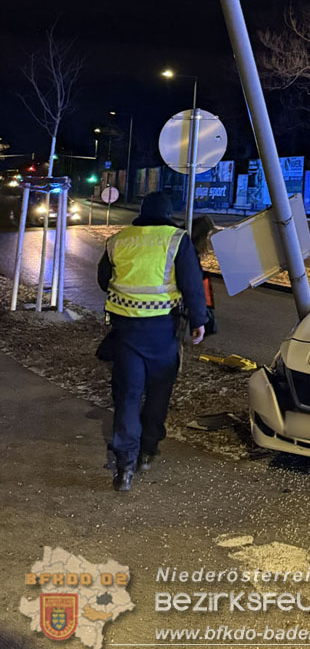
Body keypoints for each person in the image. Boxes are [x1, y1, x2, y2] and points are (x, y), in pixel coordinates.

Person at [97, 191, 207, 492]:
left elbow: (103, 280)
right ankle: (147, 451)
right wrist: (199, 321)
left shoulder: (118, 239)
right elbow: (192, 284)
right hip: (162, 331)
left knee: (128, 396)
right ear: (168, 213)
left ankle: (125, 466)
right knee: (158, 392)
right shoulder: (176, 239)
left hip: (125, 332)